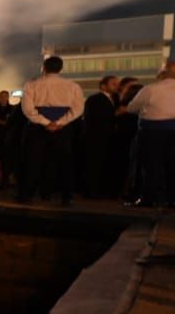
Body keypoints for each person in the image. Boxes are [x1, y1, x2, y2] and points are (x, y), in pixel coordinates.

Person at [119, 59, 175, 208]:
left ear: (163, 71)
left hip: (153, 130)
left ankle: (150, 198)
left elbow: (131, 108)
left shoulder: (151, 89)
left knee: (152, 166)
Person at [18, 55, 85, 205]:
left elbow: (27, 109)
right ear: (61, 68)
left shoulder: (31, 85)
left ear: (44, 67)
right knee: (64, 163)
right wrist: (61, 122)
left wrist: (45, 122)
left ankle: (26, 195)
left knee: (33, 161)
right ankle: (66, 197)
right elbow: (78, 108)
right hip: (63, 128)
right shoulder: (73, 86)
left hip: (37, 128)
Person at [81, 76, 120, 198]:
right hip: (96, 138)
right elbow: (94, 118)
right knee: (94, 165)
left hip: (108, 138)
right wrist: (116, 114)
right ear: (103, 86)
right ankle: (91, 192)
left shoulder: (115, 99)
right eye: (113, 84)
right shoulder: (95, 99)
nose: (116, 86)